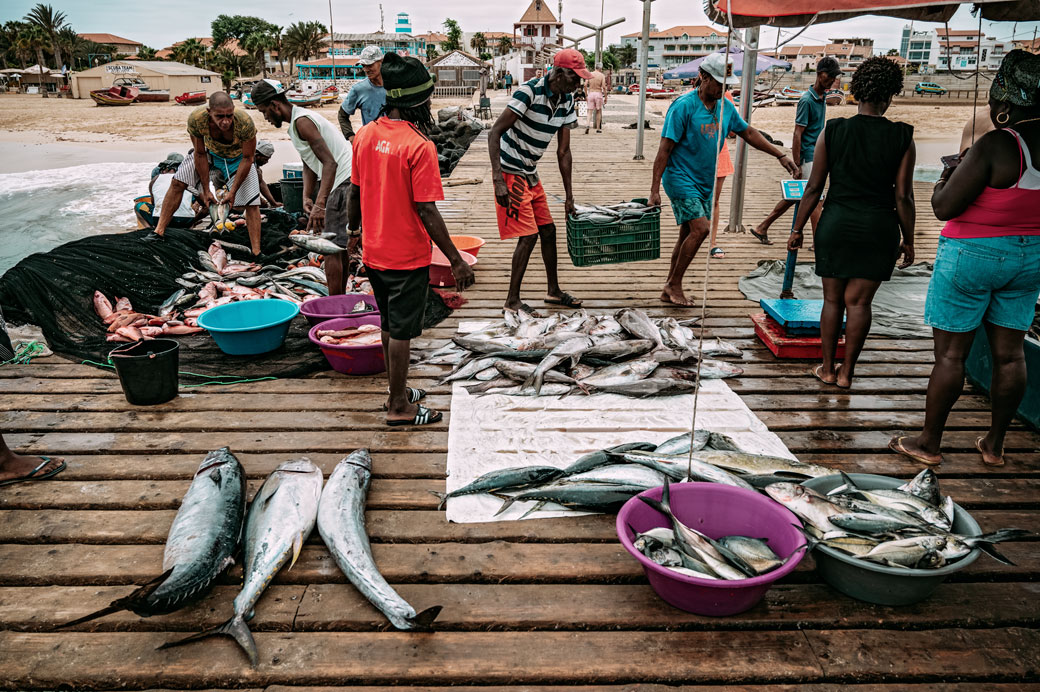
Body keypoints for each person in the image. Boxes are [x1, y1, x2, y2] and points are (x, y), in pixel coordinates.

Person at [891, 50, 1040, 468]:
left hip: (973, 254)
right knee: (1011, 355)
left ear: (1006, 106)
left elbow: (943, 206)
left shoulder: (997, 144)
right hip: (1031, 257)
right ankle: (994, 445)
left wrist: (948, 173)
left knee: (951, 356)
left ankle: (929, 443)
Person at [347, 52, 475, 426]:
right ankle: (399, 408)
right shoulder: (420, 146)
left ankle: (396, 388)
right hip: (406, 255)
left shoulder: (365, 135)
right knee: (401, 330)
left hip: (374, 249)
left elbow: (354, 193)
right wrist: (454, 258)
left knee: (388, 323)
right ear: (419, 101)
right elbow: (427, 210)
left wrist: (354, 233)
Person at [790, 56, 916, 390]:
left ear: (855, 93)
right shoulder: (903, 137)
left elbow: (814, 186)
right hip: (878, 227)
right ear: (889, 97)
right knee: (860, 303)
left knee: (832, 301)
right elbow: (903, 196)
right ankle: (847, 374)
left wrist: (798, 228)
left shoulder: (834, 130)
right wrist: (909, 238)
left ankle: (828, 369)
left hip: (836, 224)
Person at [650, 53, 798, 307]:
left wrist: (780, 155)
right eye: (718, 82)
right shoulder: (683, 106)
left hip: (704, 180)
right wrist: (654, 189)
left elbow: (748, 132)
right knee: (702, 229)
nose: (722, 88)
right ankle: (674, 284)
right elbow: (664, 149)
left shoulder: (725, 106)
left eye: (726, 84)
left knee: (687, 232)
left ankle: (670, 285)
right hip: (680, 177)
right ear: (703, 77)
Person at [488, 48, 590, 315]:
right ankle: (512, 300)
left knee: (548, 230)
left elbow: (564, 152)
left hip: (530, 172)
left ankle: (553, 291)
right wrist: (497, 179)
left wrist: (569, 196)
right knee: (529, 235)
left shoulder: (567, 100)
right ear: (558, 73)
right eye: (575, 77)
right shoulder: (529, 92)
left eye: (580, 78)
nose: (578, 83)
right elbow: (494, 132)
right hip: (510, 170)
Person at [252, 80, 353, 296]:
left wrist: (320, 204)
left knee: (330, 244)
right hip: (341, 179)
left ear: (275, 105)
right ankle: (340, 297)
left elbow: (330, 163)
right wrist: (307, 195)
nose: (266, 118)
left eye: (264, 112)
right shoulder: (296, 123)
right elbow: (309, 161)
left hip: (345, 178)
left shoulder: (302, 122)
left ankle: (335, 304)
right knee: (337, 244)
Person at [153, 92, 264, 254]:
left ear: (234, 110)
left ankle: (256, 251)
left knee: (252, 202)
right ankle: (158, 231)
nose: (225, 121)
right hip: (209, 153)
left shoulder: (245, 122)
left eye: (229, 116)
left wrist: (232, 192)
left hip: (238, 157)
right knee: (177, 182)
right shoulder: (197, 119)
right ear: (209, 112)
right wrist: (205, 190)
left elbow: (248, 158)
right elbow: (199, 153)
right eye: (219, 116)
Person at [752, 57, 843, 245]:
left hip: (817, 155)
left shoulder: (822, 97)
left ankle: (762, 227)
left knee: (799, 196)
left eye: (835, 76)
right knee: (815, 198)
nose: (833, 79)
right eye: (830, 75)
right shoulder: (806, 100)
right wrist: (797, 163)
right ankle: (819, 244)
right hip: (807, 156)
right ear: (820, 74)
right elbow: (797, 133)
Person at [709, 88, 737, 260]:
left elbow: (733, 129)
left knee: (715, 201)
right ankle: (693, 236)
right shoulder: (688, 99)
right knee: (694, 200)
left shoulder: (725, 97)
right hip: (695, 158)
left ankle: (712, 242)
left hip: (720, 155)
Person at [339, 45, 386, 143]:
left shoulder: (395, 85)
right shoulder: (359, 89)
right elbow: (342, 115)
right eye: (363, 66)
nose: (366, 69)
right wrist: (351, 137)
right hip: (371, 145)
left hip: (395, 145)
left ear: (381, 62)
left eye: (369, 65)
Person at [253, 140, 281, 208]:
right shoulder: (247, 165)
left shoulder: (256, 165)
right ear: (257, 156)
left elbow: (261, 183)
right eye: (265, 159)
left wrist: (273, 202)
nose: (267, 162)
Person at [585, 68, 607, 135]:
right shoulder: (602, 75)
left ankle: (587, 125)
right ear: (601, 68)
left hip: (591, 93)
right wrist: (606, 97)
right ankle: (598, 129)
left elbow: (585, 85)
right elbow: (603, 87)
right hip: (598, 93)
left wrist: (586, 95)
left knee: (589, 111)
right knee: (598, 111)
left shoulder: (589, 74)